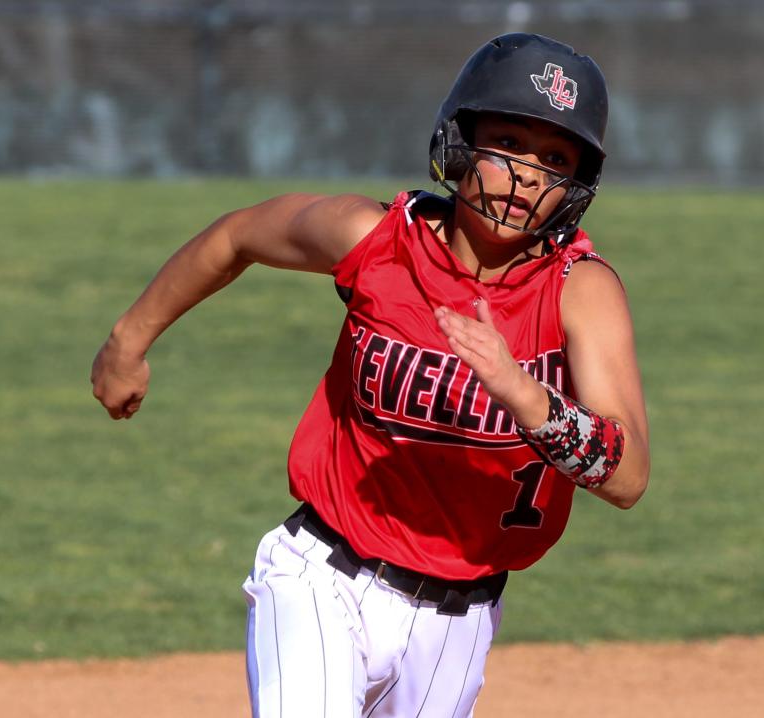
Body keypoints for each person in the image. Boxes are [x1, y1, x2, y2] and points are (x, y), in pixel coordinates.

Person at [91, 32, 649, 718]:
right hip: (320, 575)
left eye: (554, 159)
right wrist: (128, 341)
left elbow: (627, 478)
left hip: (458, 618)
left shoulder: (578, 291)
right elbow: (238, 236)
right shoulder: (376, 239)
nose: (527, 175)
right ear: (462, 142)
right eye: (507, 144)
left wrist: (526, 396)